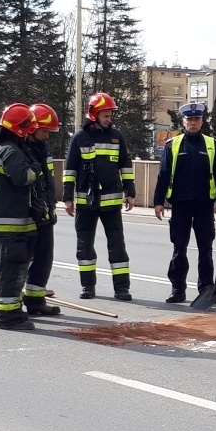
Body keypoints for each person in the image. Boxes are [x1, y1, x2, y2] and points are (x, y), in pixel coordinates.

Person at [63, 92, 136, 301]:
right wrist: (68, 198)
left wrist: (130, 192)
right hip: (86, 202)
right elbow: (70, 170)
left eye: (110, 115)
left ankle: (121, 288)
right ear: (94, 115)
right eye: (105, 115)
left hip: (112, 202)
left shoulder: (117, 136)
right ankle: (88, 287)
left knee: (117, 246)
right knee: (84, 246)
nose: (109, 119)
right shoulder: (79, 138)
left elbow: (125, 165)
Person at [153, 102, 216, 303]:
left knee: (206, 249)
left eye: (196, 119)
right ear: (184, 121)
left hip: (204, 204)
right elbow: (163, 175)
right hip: (180, 204)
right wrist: (158, 202)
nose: (193, 123)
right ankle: (178, 289)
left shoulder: (213, 145)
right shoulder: (173, 145)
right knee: (180, 249)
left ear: (202, 121)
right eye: (189, 119)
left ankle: (206, 289)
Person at [0, 103, 42, 331]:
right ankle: (10, 317)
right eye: (28, 130)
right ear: (20, 129)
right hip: (12, 227)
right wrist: (37, 168)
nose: (29, 135)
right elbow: (24, 177)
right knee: (13, 270)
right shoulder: (11, 152)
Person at [22, 103, 61, 316]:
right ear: (32, 128)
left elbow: (46, 181)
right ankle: (17, 298)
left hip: (45, 210)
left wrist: (50, 206)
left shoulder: (42, 149)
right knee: (23, 258)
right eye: (45, 130)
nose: (47, 135)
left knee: (44, 257)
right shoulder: (21, 150)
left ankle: (36, 300)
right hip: (28, 214)